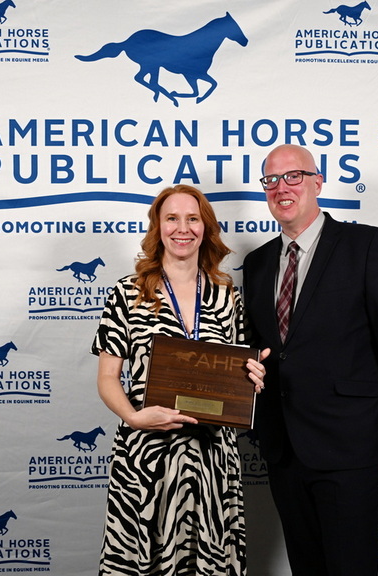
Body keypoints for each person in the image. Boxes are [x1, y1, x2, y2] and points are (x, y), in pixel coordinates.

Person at [242, 144, 378, 575]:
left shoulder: (369, 245)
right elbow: (259, 348)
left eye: (293, 176)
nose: (281, 188)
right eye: (271, 180)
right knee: (306, 566)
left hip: (349, 445)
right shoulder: (257, 262)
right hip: (284, 448)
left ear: (318, 182)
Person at [91, 184, 269, 576]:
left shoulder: (227, 295)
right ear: (158, 227)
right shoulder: (128, 293)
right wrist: (134, 418)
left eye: (192, 219)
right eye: (172, 218)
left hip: (213, 458)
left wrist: (253, 377)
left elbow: (240, 373)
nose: (182, 228)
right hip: (146, 455)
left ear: (206, 228)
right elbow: (107, 377)